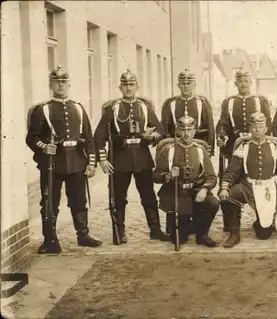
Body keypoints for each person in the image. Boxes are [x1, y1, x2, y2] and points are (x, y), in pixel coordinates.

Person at [26, 65, 102, 254]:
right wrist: (44, 147)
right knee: (49, 202)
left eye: (63, 81)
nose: (60, 85)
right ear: (51, 84)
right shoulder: (43, 109)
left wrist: (91, 163)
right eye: (57, 81)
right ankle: (50, 240)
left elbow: (89, 138)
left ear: (69, 84)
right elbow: (31, 137)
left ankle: (83, 235)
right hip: (52, 163)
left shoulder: (77, 107)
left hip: (76, 161)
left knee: (79, 200)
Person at [94, 68, 169, 243]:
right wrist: (103, 159)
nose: (129, 88)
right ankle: (119, 231)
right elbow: (99, 137)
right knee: (119, 197)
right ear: (120, 87)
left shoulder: (144, 107)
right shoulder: (112, 109)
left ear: (137, 86)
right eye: (125, 85)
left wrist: (152, 137)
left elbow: (161, 130)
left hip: (142, 157)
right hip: (120, 159)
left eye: (132, 84)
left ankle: (155, 229)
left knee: (148, 195)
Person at [219, 112, 277, 248]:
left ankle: (262, 223)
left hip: (268, 189)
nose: (257, 129)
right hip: (248, 186)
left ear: (266, 129)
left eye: (260, 126)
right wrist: (225, 187)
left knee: (264, 234)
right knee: (229, 197)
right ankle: (234, 233)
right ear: (250, 129)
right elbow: (232, 170)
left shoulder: (275, 147)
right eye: (254, 127)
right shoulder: (244, 147)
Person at [216, 67, 272, 231]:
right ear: (235, 83)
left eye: (246, 81)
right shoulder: (229, 102)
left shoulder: (260, 100)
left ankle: (263, 218)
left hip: (257, 144)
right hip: (236, 146)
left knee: (258, 179)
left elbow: (268, 124)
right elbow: (223, 123)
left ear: (251, 82)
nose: (243, 84)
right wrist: (221, 136)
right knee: (231, 181)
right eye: (240, 81)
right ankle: (231, 222)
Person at [153, 115, 219, 247]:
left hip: (195, 191)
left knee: (212, 203)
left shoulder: (201, 150)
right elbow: (155, 175)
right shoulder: (169, 150)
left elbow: (211, 176)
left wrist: (205, 189)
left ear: (194, 131)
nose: (186, 133)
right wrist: (168, 175)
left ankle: (202, 235)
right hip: (176, 193)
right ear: (177, 131)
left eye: (189, 130)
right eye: (183, 130)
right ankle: (186, 226)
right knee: (179, 239)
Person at [161, 69, 215, 156]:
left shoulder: (202, 103)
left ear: (194, 85)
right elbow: (165, 128)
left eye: (188, 83)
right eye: (183, 83)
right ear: (178, 85)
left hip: (198, 145)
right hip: (176, 146)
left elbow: (210, 128)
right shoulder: (171, 103)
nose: (186, 86)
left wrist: (209, 149)